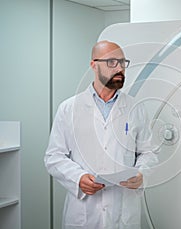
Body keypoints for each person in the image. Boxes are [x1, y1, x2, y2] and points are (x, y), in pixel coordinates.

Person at [44, 40, 158, 229]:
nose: (120, 68)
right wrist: (78, 178)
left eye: (123, 63)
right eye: (112, 62)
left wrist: (141, 173)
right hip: (84, 213)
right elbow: (53, 156)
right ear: (93, 65)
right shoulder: (69, 108)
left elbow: (149, 152)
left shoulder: (135, 108)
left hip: (124, 212)